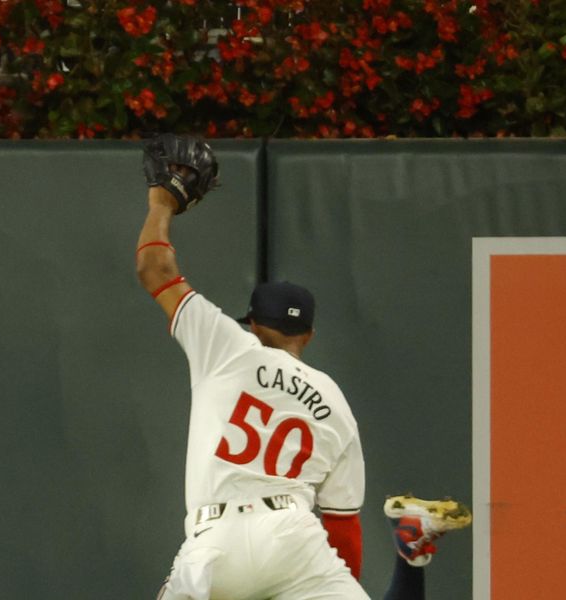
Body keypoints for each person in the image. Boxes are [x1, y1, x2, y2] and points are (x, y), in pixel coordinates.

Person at [136, 176, 472, 600]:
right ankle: (411, 556)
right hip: (292, 538)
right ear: (309, 334)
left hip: (216, 542)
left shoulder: (227, 346)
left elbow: (155, 270)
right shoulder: (335, 401)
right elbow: (343, 530)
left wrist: (161, 201)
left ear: (252, 324)